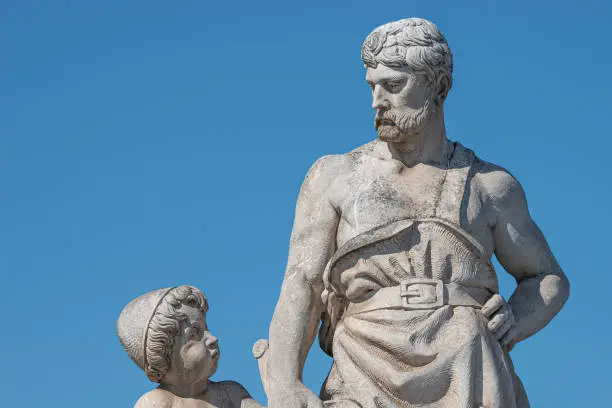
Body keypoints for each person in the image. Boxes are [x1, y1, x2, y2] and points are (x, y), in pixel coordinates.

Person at [266, 18, 570, 408]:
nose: (378, 101)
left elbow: (547, 278)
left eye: (394, 85)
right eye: (372, 86)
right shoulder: (334, 177)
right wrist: (285, 380)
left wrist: (515, 317)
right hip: (362, 364)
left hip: (468, 365)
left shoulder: (489, 186)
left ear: (438, 87)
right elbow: (301, 284)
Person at [117, 285, 263, 408]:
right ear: (163, 355)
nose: (213, 338)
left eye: (207, 329)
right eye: (194, 333)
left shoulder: (230, 393)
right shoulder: (156, 403)